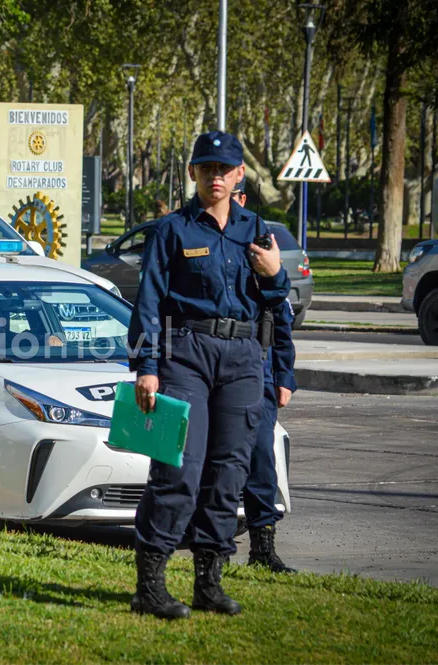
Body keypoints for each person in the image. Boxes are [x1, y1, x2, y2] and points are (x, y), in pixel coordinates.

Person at [127, 131, 290, 620]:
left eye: (224, 169)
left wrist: (276, 273)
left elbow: (276, 304)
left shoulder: (256, 229)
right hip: (187, 354)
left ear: (240, 175)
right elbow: (149, 302)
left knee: (228, 474)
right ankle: (150, 586)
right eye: (206, 168)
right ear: (193, 173)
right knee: (179, 469)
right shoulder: (173, 230)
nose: (215, 176)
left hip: (243, 357)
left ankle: (208, 583)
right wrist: (147, 367)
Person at [231, 178, 298, 574]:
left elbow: (281, 317)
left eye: (239, 197)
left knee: (260, 461)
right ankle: (213, 543)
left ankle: (262, 546)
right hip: (213, 363)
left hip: (259, 366)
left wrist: (284, 375)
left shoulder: (260, 243)